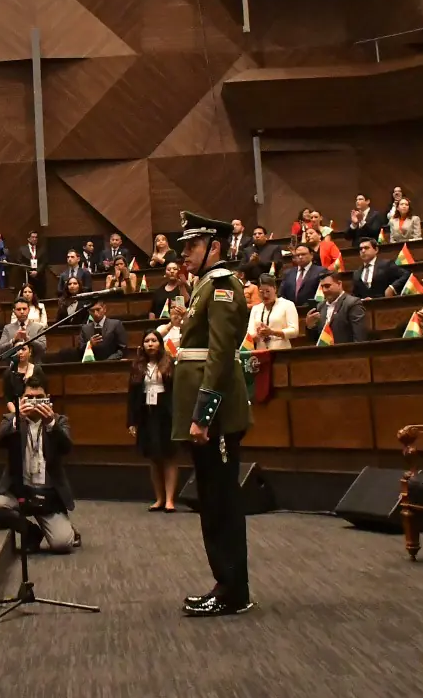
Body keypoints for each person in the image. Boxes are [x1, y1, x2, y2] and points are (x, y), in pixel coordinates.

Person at [168, 212, 254, 618]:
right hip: (207, 413)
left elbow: (219, 354)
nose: (184, 254)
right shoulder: (205, 285)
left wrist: (203, 414)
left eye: (193, 246)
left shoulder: (222, 285)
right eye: (183, 247)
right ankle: (227, 584)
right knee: (212, 498)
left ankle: (232, 591)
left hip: (215, 415)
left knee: (221, 501)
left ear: (215, 247)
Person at [0, 379, 77, 554]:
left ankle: (68, 529)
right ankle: (32, 531)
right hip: (20, 492)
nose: (34, 402)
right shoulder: (11, 420)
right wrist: (18, 418)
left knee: (62, 544)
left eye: (39, 397)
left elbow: (67, 448)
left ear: (48, 399)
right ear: (21, 399)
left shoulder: (59, 421)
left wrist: (51, 424)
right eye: (29, 397)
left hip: (48, 496)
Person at [128, 331, 179, 512]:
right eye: (147, 341)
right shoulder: (137, 366)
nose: (150, 344)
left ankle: (170, 500)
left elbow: (176, 392)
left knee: (169, 456)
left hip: (166, 414)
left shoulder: (169, 363)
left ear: (160, 343)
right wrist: (132, 421)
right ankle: (159, 498)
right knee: (153, 457)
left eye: (154, 340)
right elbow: (132, 395)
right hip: (146, 414)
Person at [1, 311, 46, 413]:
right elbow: (8, 398)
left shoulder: (37, 370)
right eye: (17, 350)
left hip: (36, 409)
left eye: (23, 349)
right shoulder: (9, 372)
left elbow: (43, 393)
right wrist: (17, 413)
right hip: (16, 411)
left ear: (30, 352)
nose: (20, 352)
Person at [304, 272, 368, 344]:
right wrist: (310, 326)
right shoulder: (320, 306)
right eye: (322, 287)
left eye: (327, 286)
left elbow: (359, 336)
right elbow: (314, 339)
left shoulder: (352, 303)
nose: (324, 290)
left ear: (339, 284)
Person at [244, 274, 299, 350]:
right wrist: (257, 335)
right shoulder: (256, 308)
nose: (265, 295)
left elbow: (295, 331)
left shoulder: (287, 304)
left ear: (275, 289)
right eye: (261, 292)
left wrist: (272, 332)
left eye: (268, 291)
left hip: (281, 350)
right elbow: (250, 333)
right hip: (261, 350)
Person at [0, 297, 47, 377]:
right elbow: (1, 350)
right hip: (13, 371)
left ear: (29, 310)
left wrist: (29, 340)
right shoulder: (7, 328)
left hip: (34, 369)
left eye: (24, 309)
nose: (22, 312)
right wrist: (13, 340)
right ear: (14, 311)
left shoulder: (38, 327)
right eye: (19, 309)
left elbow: (43, 348)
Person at [278, 243, 328, 315]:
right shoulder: (288, 273)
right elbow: (281, 294)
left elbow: (323, 295)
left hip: (313, 311)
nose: (300, 257)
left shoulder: (321, 271)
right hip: (291, 312)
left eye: (303, 254)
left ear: (311, 255)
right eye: (298, 255)